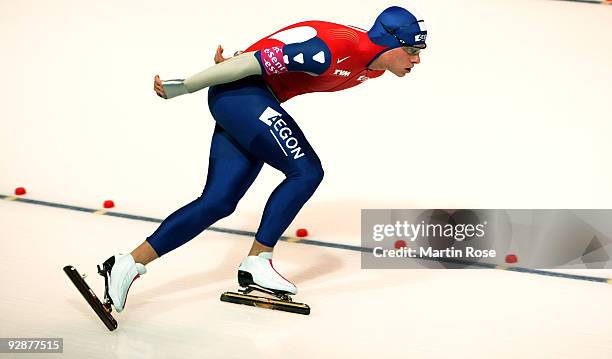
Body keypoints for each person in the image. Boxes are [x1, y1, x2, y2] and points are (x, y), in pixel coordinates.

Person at [98, 5, 427, 313]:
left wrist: (247, 53)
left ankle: (126, 264)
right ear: (390, 44)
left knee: (218, 202)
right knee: (306, 172)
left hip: (251, 100)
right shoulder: (332, 51)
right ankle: (258, 260)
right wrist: (182, 86)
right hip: (241, 93)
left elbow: (292, 36)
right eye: (412, 50)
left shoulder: (373, 69)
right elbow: (251, 64)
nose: (416, 60)